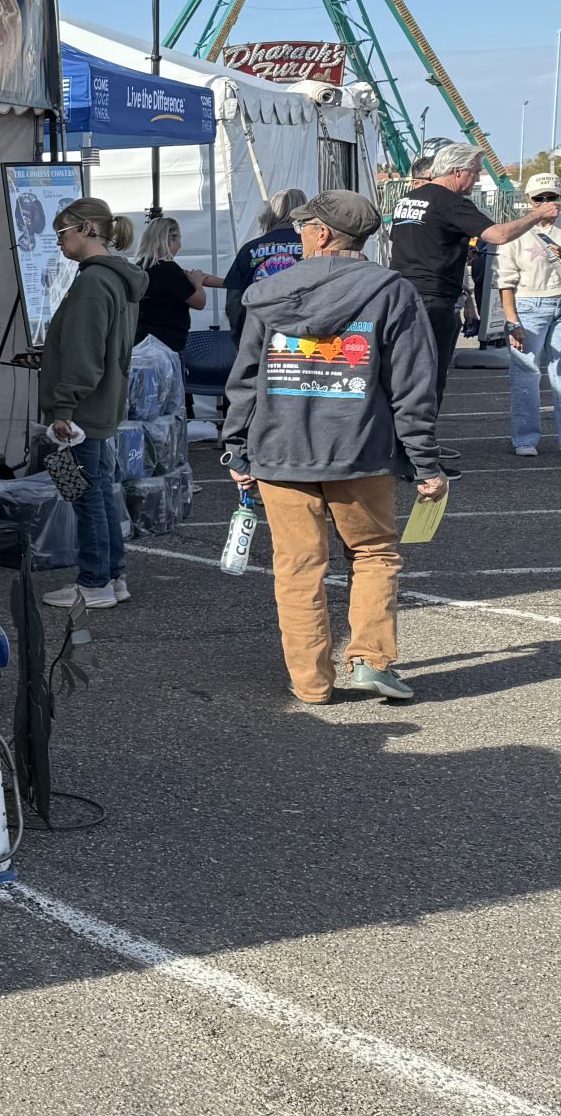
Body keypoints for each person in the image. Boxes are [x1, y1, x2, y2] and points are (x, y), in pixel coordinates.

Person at [222, 191, 447, 704]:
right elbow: (414, 385)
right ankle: (369, 658)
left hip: (279, 452)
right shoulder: (392, 292)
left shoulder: (270, 292)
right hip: (360, 450)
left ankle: (311, 682)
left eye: (304, 227)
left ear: (322, 234)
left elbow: (245, 379)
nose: (299, 234)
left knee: (298, 567)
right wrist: (426, 462)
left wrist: (236, 448)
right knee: (372, 553)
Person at [387, 142, 557, 406]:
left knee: (403, 372)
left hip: (399, 294)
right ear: (458, 171)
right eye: (475, 171)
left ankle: (404, 442)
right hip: (435, 299)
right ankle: (421, 444)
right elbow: (498, 235)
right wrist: (536, 215)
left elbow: (413, 241)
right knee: (431, 375)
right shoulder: (450, 201)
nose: (477, 178)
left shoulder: (407, 200)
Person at [38, 197, 144, 610]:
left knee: (86, 496)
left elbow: (85, 354)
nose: (59, 242)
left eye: (62, 233)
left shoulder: (93, 282)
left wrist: (63, 407)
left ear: (86, 229)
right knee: (97, 492)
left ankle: (95, 581)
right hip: (102, 403)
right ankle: (111, 576)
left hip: (81, 410)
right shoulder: (117, 278)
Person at [496, 171, 561, 456]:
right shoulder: (517, 233)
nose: (547, 203)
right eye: (540, 198)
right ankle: (525, 438)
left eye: (552, 197)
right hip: (528, 305)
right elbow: (505, 282)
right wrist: (512, 322)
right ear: (529, 201)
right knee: (526, 373)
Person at [133, 216, 225, 354]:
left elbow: (193, 277)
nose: (180, 246)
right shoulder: (169, 270)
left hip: (141, 341)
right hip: (166, 345)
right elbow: (199, 303)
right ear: (170, 240)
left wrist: (228, 283)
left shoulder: (140, 267)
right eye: (179, 240)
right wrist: (198, 284)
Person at [221, 188, 305, 334]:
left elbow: (234, 302)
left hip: (260, 333)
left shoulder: (250, 249)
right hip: (304, 333)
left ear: (270, 214)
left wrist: (240, 338)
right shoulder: (314, 247)